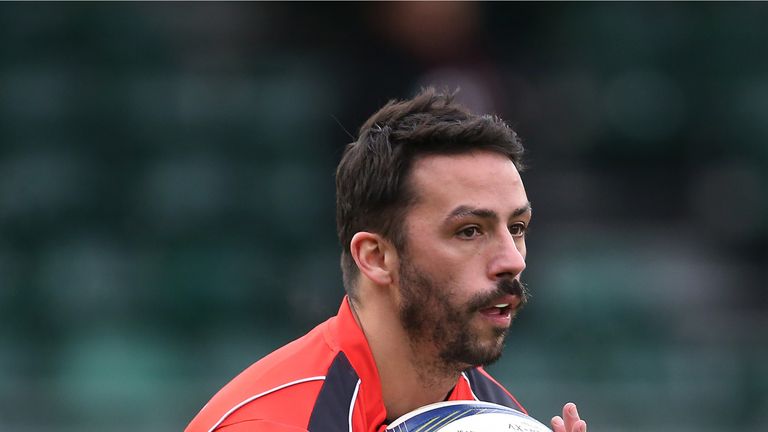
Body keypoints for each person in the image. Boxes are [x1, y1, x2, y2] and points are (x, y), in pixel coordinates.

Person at [185, 88, 587, 432]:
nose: (512, 260)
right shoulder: (269, 423)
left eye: (516, 227)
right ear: (376, 257)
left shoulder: (500, 417)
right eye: (469, 231)